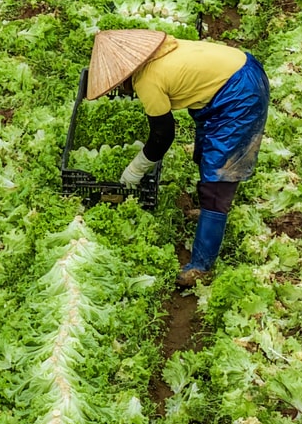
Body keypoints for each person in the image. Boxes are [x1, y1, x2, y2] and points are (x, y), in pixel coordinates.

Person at [86, 29, 268, 287]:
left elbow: (163, 135)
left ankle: (202, 265)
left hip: (239, 93)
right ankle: (207, 214)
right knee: (207, 152)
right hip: (241, 67)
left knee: (219, 174)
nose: (121, 89)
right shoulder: (164, 50)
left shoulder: (146, 80)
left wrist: (135, 170)